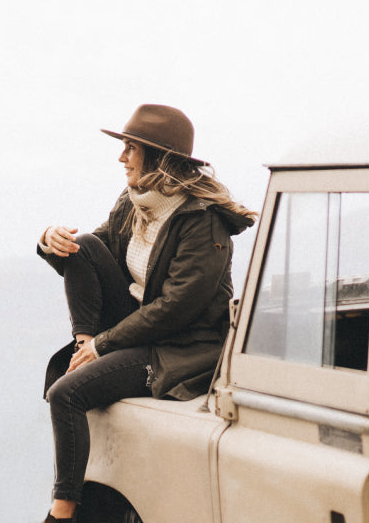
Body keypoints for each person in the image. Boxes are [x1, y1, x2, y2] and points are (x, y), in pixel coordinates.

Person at [36, 104, 256, 523]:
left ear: (158, 157)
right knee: (82, 243)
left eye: (130, 148)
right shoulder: (134, 201)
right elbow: (88, 257)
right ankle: (80, 343)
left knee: (67, 393)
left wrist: (105, 344)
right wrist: (50, 242)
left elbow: (177, 308)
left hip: (180, 345)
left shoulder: (201, 221)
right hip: (137, 327)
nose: (122, 158)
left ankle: (62, 512)